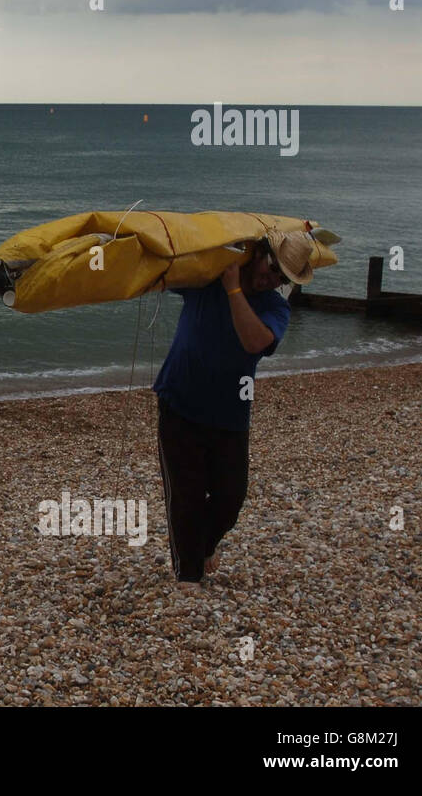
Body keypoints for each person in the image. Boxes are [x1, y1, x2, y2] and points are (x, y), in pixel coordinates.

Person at [151, 228, 316, 591]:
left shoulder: (275, 306)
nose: (271, 279)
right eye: (272, 267)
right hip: (180, 401)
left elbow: (254, 341)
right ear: (256, 253)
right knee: (186, 494)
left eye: (282, 277)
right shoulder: (209, 279)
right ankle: (188, 575)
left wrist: (234, 289)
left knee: (231, 496)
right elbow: (162, 274)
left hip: (231, 412)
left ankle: (205, 545)